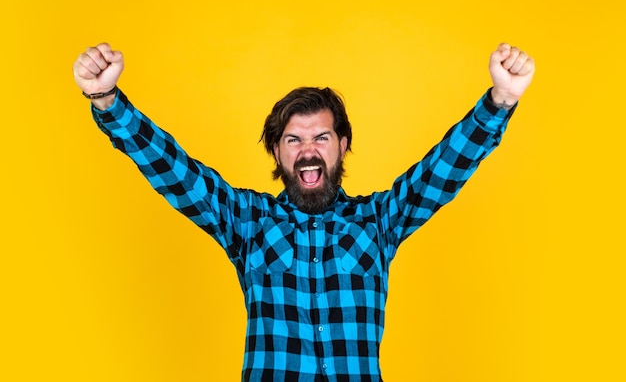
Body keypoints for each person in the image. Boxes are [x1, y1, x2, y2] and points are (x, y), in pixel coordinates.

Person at [73, 42, 534, 382]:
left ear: (342, 146)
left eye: (321, 138)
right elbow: (177, 172)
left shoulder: (379, 221)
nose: (308, 151)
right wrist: (108, 102)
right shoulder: (248, 222)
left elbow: (441, 171)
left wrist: (500, 101)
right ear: (277, 153)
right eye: (294, 140)